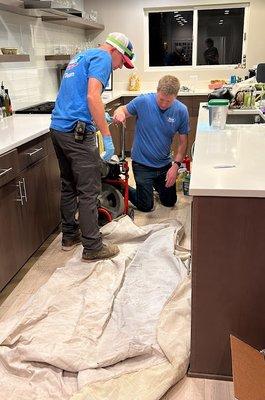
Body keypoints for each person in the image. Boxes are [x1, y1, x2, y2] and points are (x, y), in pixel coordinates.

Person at [50, 32, 135, 261]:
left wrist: (101, 117)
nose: (118, 67)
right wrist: (107, 137)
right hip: (76, 134)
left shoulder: (81, 56)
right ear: (115, 51)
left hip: (59, 128)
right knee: (89, 190)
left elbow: (77, 96)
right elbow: (92, 96)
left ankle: (69, 236)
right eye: (122, 62)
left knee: (69, 185)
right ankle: (93, 247)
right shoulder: (104, 58)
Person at [113, 75, 189, 212]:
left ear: (176, 97)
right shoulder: (143, 101)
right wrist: (119, 114)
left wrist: (175, 166)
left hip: (164, 164)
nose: (164, 104)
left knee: (169, 202)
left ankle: (153, 185)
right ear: (157, 91)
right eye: (161, 99)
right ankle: (120, 185)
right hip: (142, 164)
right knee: (146, 206)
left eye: (169, 101)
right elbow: (122, 109)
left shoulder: (181, 111)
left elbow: (183, 143)